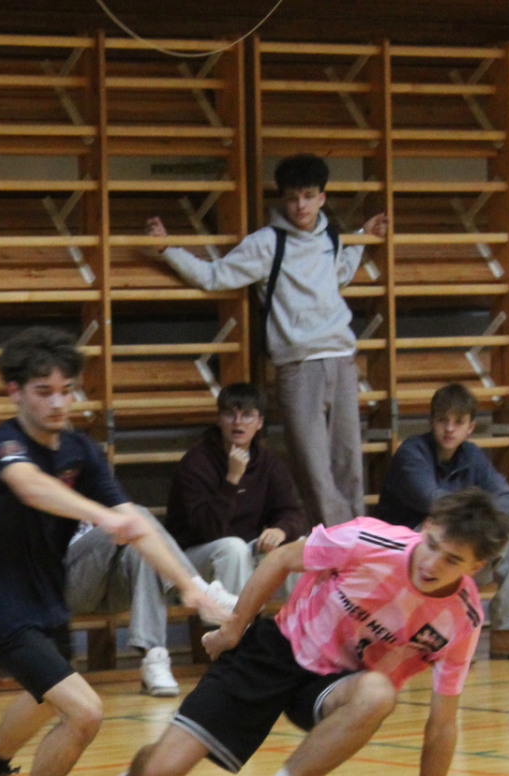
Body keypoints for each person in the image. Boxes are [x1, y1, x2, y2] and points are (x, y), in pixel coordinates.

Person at [103, 488, 509, 776]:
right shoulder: (369, 540)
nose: (432, 563)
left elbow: (442, 724)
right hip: (278, 648)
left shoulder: (462, 619)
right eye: (431, 544)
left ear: (475, 566)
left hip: (334, 683)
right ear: (425, 527)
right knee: (159, 771)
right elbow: (282, 558)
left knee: (378, 694)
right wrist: (232, 630)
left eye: (452, 559)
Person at [0, 327, 232, 776]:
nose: (58, 403)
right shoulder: (2, 446)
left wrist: (189, 585)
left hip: (49, 600)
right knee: (84, 712)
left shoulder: (80, 451)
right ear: (15, 391)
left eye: (66, 391)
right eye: (44, 392)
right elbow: (30, 486)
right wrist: (101, 516)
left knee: (45, 698)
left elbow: (136, 521)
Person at [148, 152, 387, 529]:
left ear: (322, 197)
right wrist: (168, 250)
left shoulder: (332, 237)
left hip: (342, 358)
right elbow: (215, 276)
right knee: (312, 466)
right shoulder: (267, 243)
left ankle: (354, 539)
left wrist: (361, 238)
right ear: (283, 199)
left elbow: (337, 276)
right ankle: (332, 543)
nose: (301, 205)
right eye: (293, 197)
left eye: (309, 196)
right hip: (297, 363)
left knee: (348, 462)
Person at [374, 384, 509, 662]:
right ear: (431, 422)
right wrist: (477, 515)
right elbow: (435, 504)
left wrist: (479, 518)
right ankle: (436, 639)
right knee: (441, 533)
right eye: (442, 420)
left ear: (470, 427)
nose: (449, 429)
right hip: (403, 564)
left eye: (458, 422)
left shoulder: (472, 456)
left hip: (451, 555)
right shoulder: (411, 453)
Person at [63, 511, 238, 697]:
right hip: (64, 585)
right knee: (136, 516)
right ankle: (202, 591)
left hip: (108, 585)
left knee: (143, 545)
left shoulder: (97, 491)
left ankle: (155, 657)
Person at [164, 381, 309, 599]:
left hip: (245, 552)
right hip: (191, 559)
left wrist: (281, 529)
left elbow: (292, 513)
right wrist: (232, 480)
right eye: (230, 415)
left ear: (260, 422)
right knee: (233, 549)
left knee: (296, 546)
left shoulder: (268, 463)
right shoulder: (196, 463)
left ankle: (295, 621)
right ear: (219, 419)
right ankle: (236, 622)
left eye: (247, 415)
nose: (238, 422)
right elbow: (207, 531)